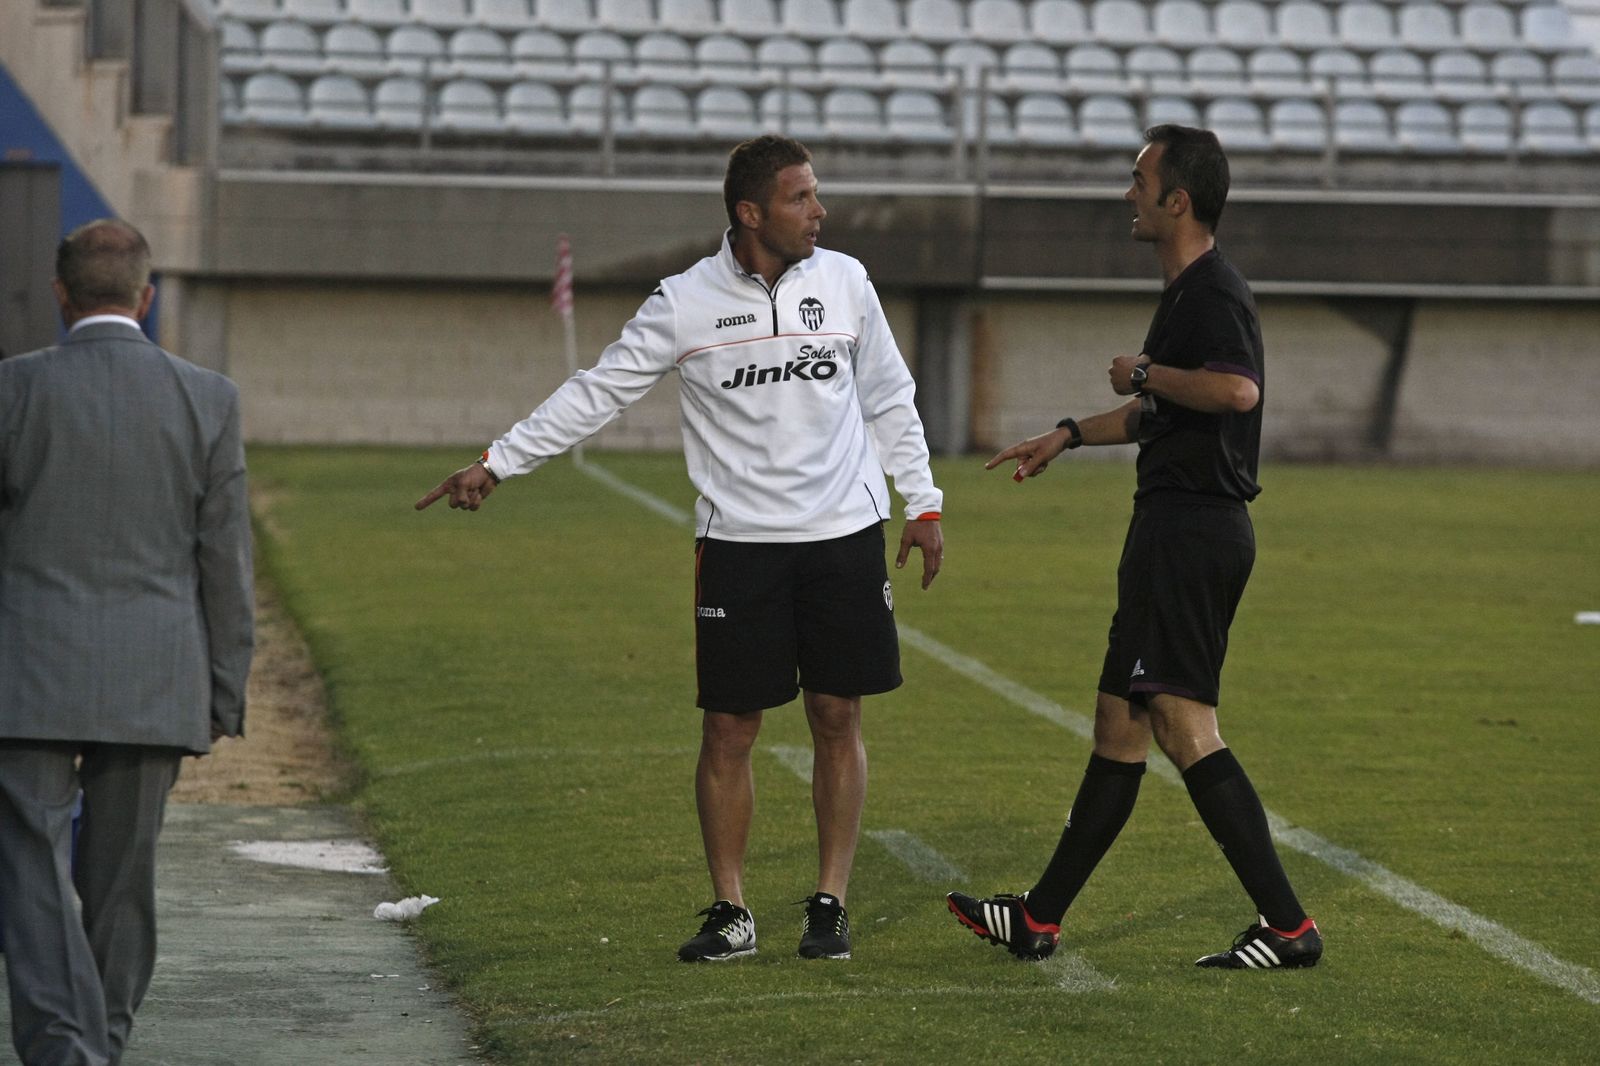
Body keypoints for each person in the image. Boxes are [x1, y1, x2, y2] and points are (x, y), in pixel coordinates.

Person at [416, 135, 944, 962]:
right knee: (730, 731)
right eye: (802, 198)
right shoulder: (684, 301)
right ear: (751, 212)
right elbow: (597, 391)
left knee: (837, 715)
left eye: (816, 195)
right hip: (738, 545)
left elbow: (890, 395)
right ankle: (731, 912)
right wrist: (499, 462)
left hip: (844, 534)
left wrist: (925, 501)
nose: (820, 211)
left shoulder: (846, 282)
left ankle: (830, 903)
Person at [946, 125, 1321, 970]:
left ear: (1176, 200)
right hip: (1172, 528)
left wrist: (1145, 372)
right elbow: (1166, 413)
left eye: (1139, 178)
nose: (1128, 193)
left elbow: (1234, 389)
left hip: (1191, 532)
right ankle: (1039, 918)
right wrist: (1071, 433)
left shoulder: (1212, 291)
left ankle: (1289, 927)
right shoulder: (1188, 293)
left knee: (1184, 725)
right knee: (1121, 722)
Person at [0, 219, 255, 1064]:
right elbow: (224, 559)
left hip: (27, 675)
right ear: (147, 298)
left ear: (61, 293)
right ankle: (98, 1045)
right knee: (120, 886)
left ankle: (63, 1044)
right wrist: (224, 688)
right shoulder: (209, 398)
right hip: (155, 678)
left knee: (26, 872)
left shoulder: (13, 390)